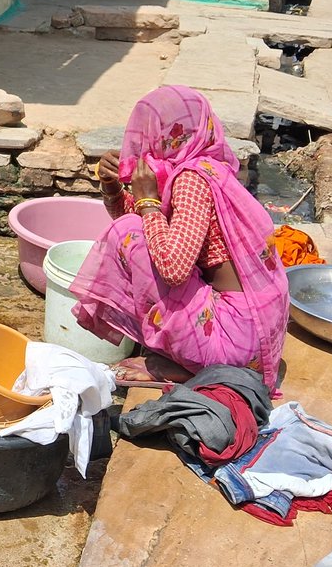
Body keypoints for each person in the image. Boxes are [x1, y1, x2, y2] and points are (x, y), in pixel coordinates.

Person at [71, 85, 289, 391]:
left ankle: (193, 368)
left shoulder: (191, 180)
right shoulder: (206, 168)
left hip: (233, 343)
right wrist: (113, 189)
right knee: (133, 230)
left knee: (126, 233)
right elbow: (150, 231)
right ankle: (192, 359)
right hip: (251, 333)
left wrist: (147, 199)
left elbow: (171, 267)